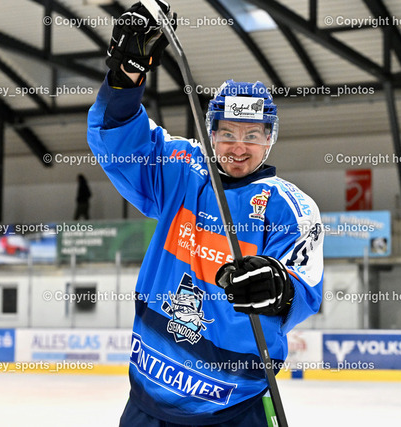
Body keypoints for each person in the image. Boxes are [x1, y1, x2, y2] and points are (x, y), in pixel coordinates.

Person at [87, 3, 324, 426]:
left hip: (235, 405)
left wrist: (278, 285)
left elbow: (303, 288)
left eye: (253, 135)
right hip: (149, 400)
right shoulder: (181, 169)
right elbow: (120, 141)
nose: (239, 147)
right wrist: (127, 73)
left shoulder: (291, 208)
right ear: (210, 133)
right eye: (227, 133)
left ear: (270, 139)